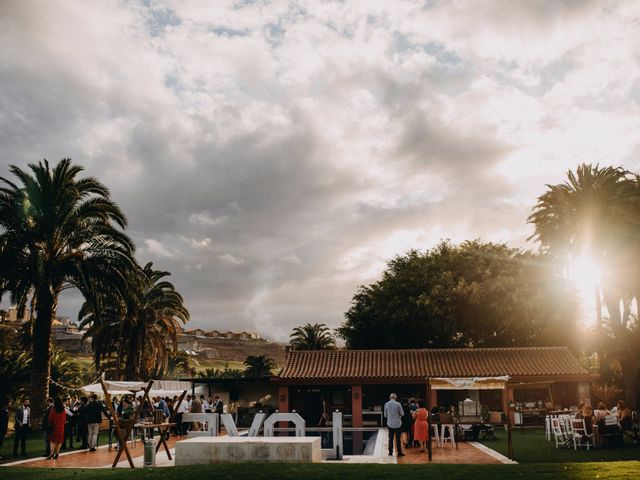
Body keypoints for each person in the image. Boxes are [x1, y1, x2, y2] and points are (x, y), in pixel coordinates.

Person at [383, 393, 404, 457]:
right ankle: (399, 452)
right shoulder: (398, 404)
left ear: (390, 397)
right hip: (397, 424)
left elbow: (385, 415)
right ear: (395, 398)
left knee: (390, 438)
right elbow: (402, 414)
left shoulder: (386, 404)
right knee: (398, 439)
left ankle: (390, 452)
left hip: (390, 423)